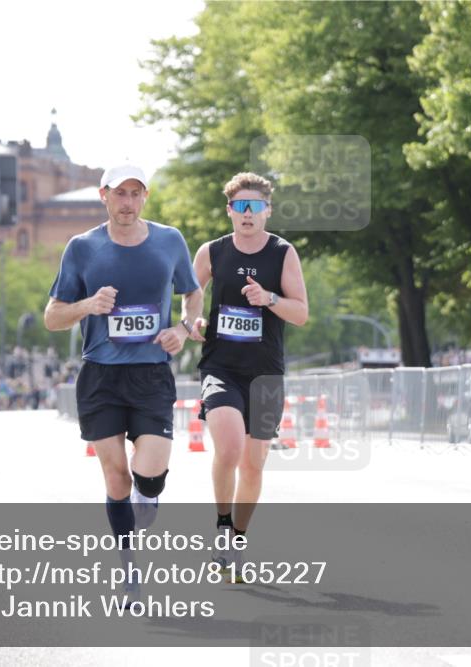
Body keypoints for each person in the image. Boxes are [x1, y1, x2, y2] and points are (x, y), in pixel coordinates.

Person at [43, 162, 202, 606]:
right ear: (104, 196)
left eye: (135, 193)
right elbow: (53, 317)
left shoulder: (169, 240)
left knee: (148, 478)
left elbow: (192, 293)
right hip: (101, 376)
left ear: (145, 196)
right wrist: (88, 305)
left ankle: (146, 493)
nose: (128, 202)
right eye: (119, 193)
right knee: (116, 478)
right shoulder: (82, 248)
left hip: (151, 374)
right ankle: (130, 571)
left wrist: (184, 328)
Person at [191, 172, 308, 581]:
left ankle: (237, 542)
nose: (247, 213)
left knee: (253, 466)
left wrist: (269, 298)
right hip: (220, 367)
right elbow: (191, 296)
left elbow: (301, 312)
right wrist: (193, 320)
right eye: (240, 206)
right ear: (229, 210)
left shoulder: (282, 253)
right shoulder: (212, 252)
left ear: (267, 211)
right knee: (228, 448)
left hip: (265, 373)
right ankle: (223, 527)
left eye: (255, 206)